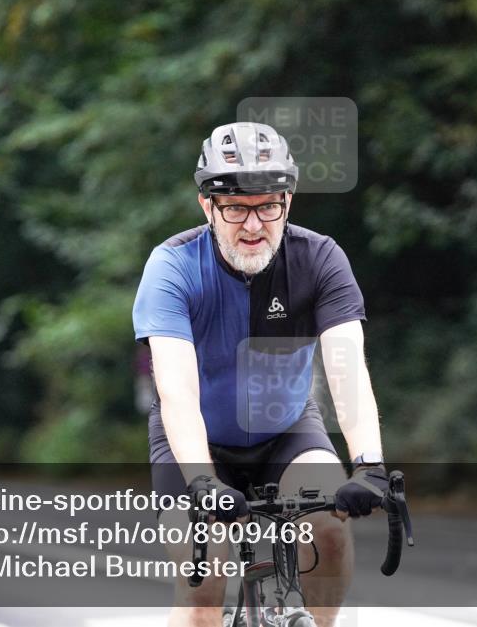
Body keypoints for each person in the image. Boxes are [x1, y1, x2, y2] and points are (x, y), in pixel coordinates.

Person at [133, 122, 388, 627]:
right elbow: (177, 391)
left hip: (286, 429)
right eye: (235, 209)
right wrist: (203, 480)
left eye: (267, 206)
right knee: (204, 589)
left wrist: (369, 465)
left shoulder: (319, 259)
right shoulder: (173, 266)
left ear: (288, 203)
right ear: (208, 206)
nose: (253, 225)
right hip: (194, 441)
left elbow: (347, 370)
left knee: (330, 531)